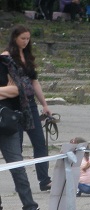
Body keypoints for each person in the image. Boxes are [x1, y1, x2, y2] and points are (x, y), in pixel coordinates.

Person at [0, 48, 47, 210]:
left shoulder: (6, 65)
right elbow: (10, 89)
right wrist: (6, 89)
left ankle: (31, 209)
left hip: (8, 123)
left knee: (18, 167)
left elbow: (17, 90)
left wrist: (10, 89)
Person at [4, 26, 52, 192]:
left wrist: (44, 104)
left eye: (28, 39)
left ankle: (44, 180)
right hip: (14, 104)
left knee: (40, 142)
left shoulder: (28, 56)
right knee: (16, 147)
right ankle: (21, 183)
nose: (25, 42)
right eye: (22, 38)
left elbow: (34, 82)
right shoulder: (6, 57)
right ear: (15, 38)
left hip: (30, 104)